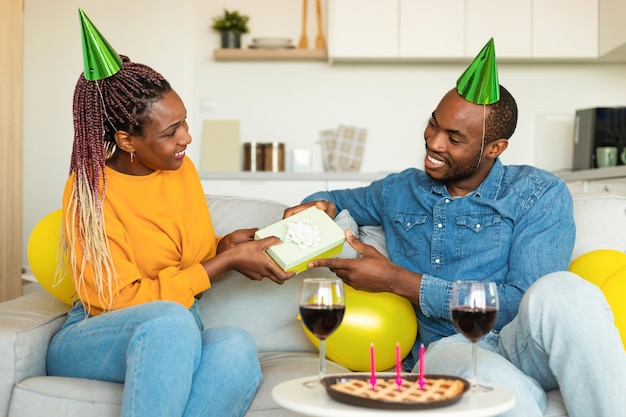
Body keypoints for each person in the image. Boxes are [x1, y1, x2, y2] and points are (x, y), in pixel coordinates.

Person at [284, 39, 626, 417]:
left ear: (495, 148)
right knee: (502, 392)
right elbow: (327, 197)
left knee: (563, 289)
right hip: (450, 347)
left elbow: (522, 301)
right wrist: (320, 206)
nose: (432, 141)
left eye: (454, 137)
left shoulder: (538, 192)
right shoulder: (400, 189)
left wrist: (398, 280)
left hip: (523, 341)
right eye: (434, 123)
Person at [46, 10, 295, 417]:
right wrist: (224, 262)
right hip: (96, 333)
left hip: (177, 328)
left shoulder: (181, 170)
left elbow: (183, 260)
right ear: (127, 140)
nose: (186, 138)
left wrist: (225, 246)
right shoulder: (89, 191)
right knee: (169, 320)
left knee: (235, 345)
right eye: (170, 132)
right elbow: (118, 301)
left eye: (183, 123)